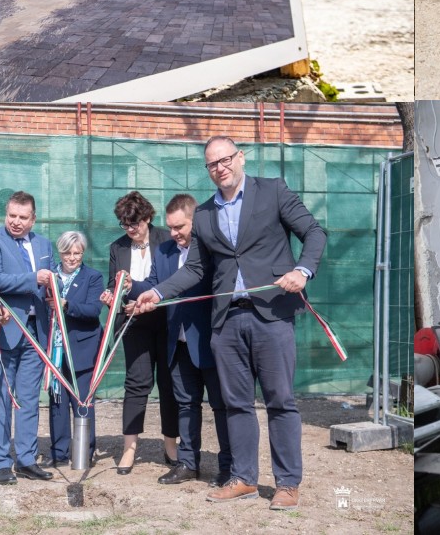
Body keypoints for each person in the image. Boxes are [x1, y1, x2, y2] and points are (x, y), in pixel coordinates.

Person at [132, 136, 326, 512]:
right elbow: (196, 268)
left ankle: (287, 483)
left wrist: (303, 269)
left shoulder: (273, 191)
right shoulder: (203, 214)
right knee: (236, 403)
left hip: (272, 313)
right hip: (226, 321)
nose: (220, 168)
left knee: (280, 402)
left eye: (225, 160)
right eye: (212, 164)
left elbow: (314, 232)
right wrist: (157, 293)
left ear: (240, 158)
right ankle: (243, 479)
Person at [151, 194, 233, 488]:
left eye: (179, 227)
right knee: (185, 405)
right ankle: (187, 463)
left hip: (212, 341)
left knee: (222, 407)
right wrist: (125, 288)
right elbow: (153, 285)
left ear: (195, 220)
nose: (173, 234)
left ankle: (228, 467)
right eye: (170, 227)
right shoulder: (163, 252)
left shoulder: (213, 249)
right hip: (179, 342)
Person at [102, 191, 178, 474]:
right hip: (134, 323)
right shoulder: (117, 247)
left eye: (134, 222)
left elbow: (171, 280)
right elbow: (115, 283)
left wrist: (136, 288)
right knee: (137, 383)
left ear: (147, 217)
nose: (130, 229)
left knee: (169, 383)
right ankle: (129, 448)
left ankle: (171, 445)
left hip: (166, 320)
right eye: (125, 224)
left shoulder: (166, 240)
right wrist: (112, 295)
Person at [0, 191, 55, 484]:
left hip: (36, 334)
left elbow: (48, 282)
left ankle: (26, 459)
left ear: (33, 219)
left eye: (22, 217)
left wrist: (53, 295)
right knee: (0, 398)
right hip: (5, 330)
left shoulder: (45, 244)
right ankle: (1, 462)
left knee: (28, 400)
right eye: (11, 215)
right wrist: (33, 279)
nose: (16, 222)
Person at [44, 231, 103, 468]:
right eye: (67, 252)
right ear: (60, 252)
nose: (72, 257)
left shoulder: (93, 277)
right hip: (54, 348)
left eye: (77, 253)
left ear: (83, 252)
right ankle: (58, 452)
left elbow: (93, 310)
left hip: (82, 349)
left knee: (82, 402)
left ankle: (83, 451)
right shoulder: (49, 276)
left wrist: (66, 304)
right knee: (57, 401)